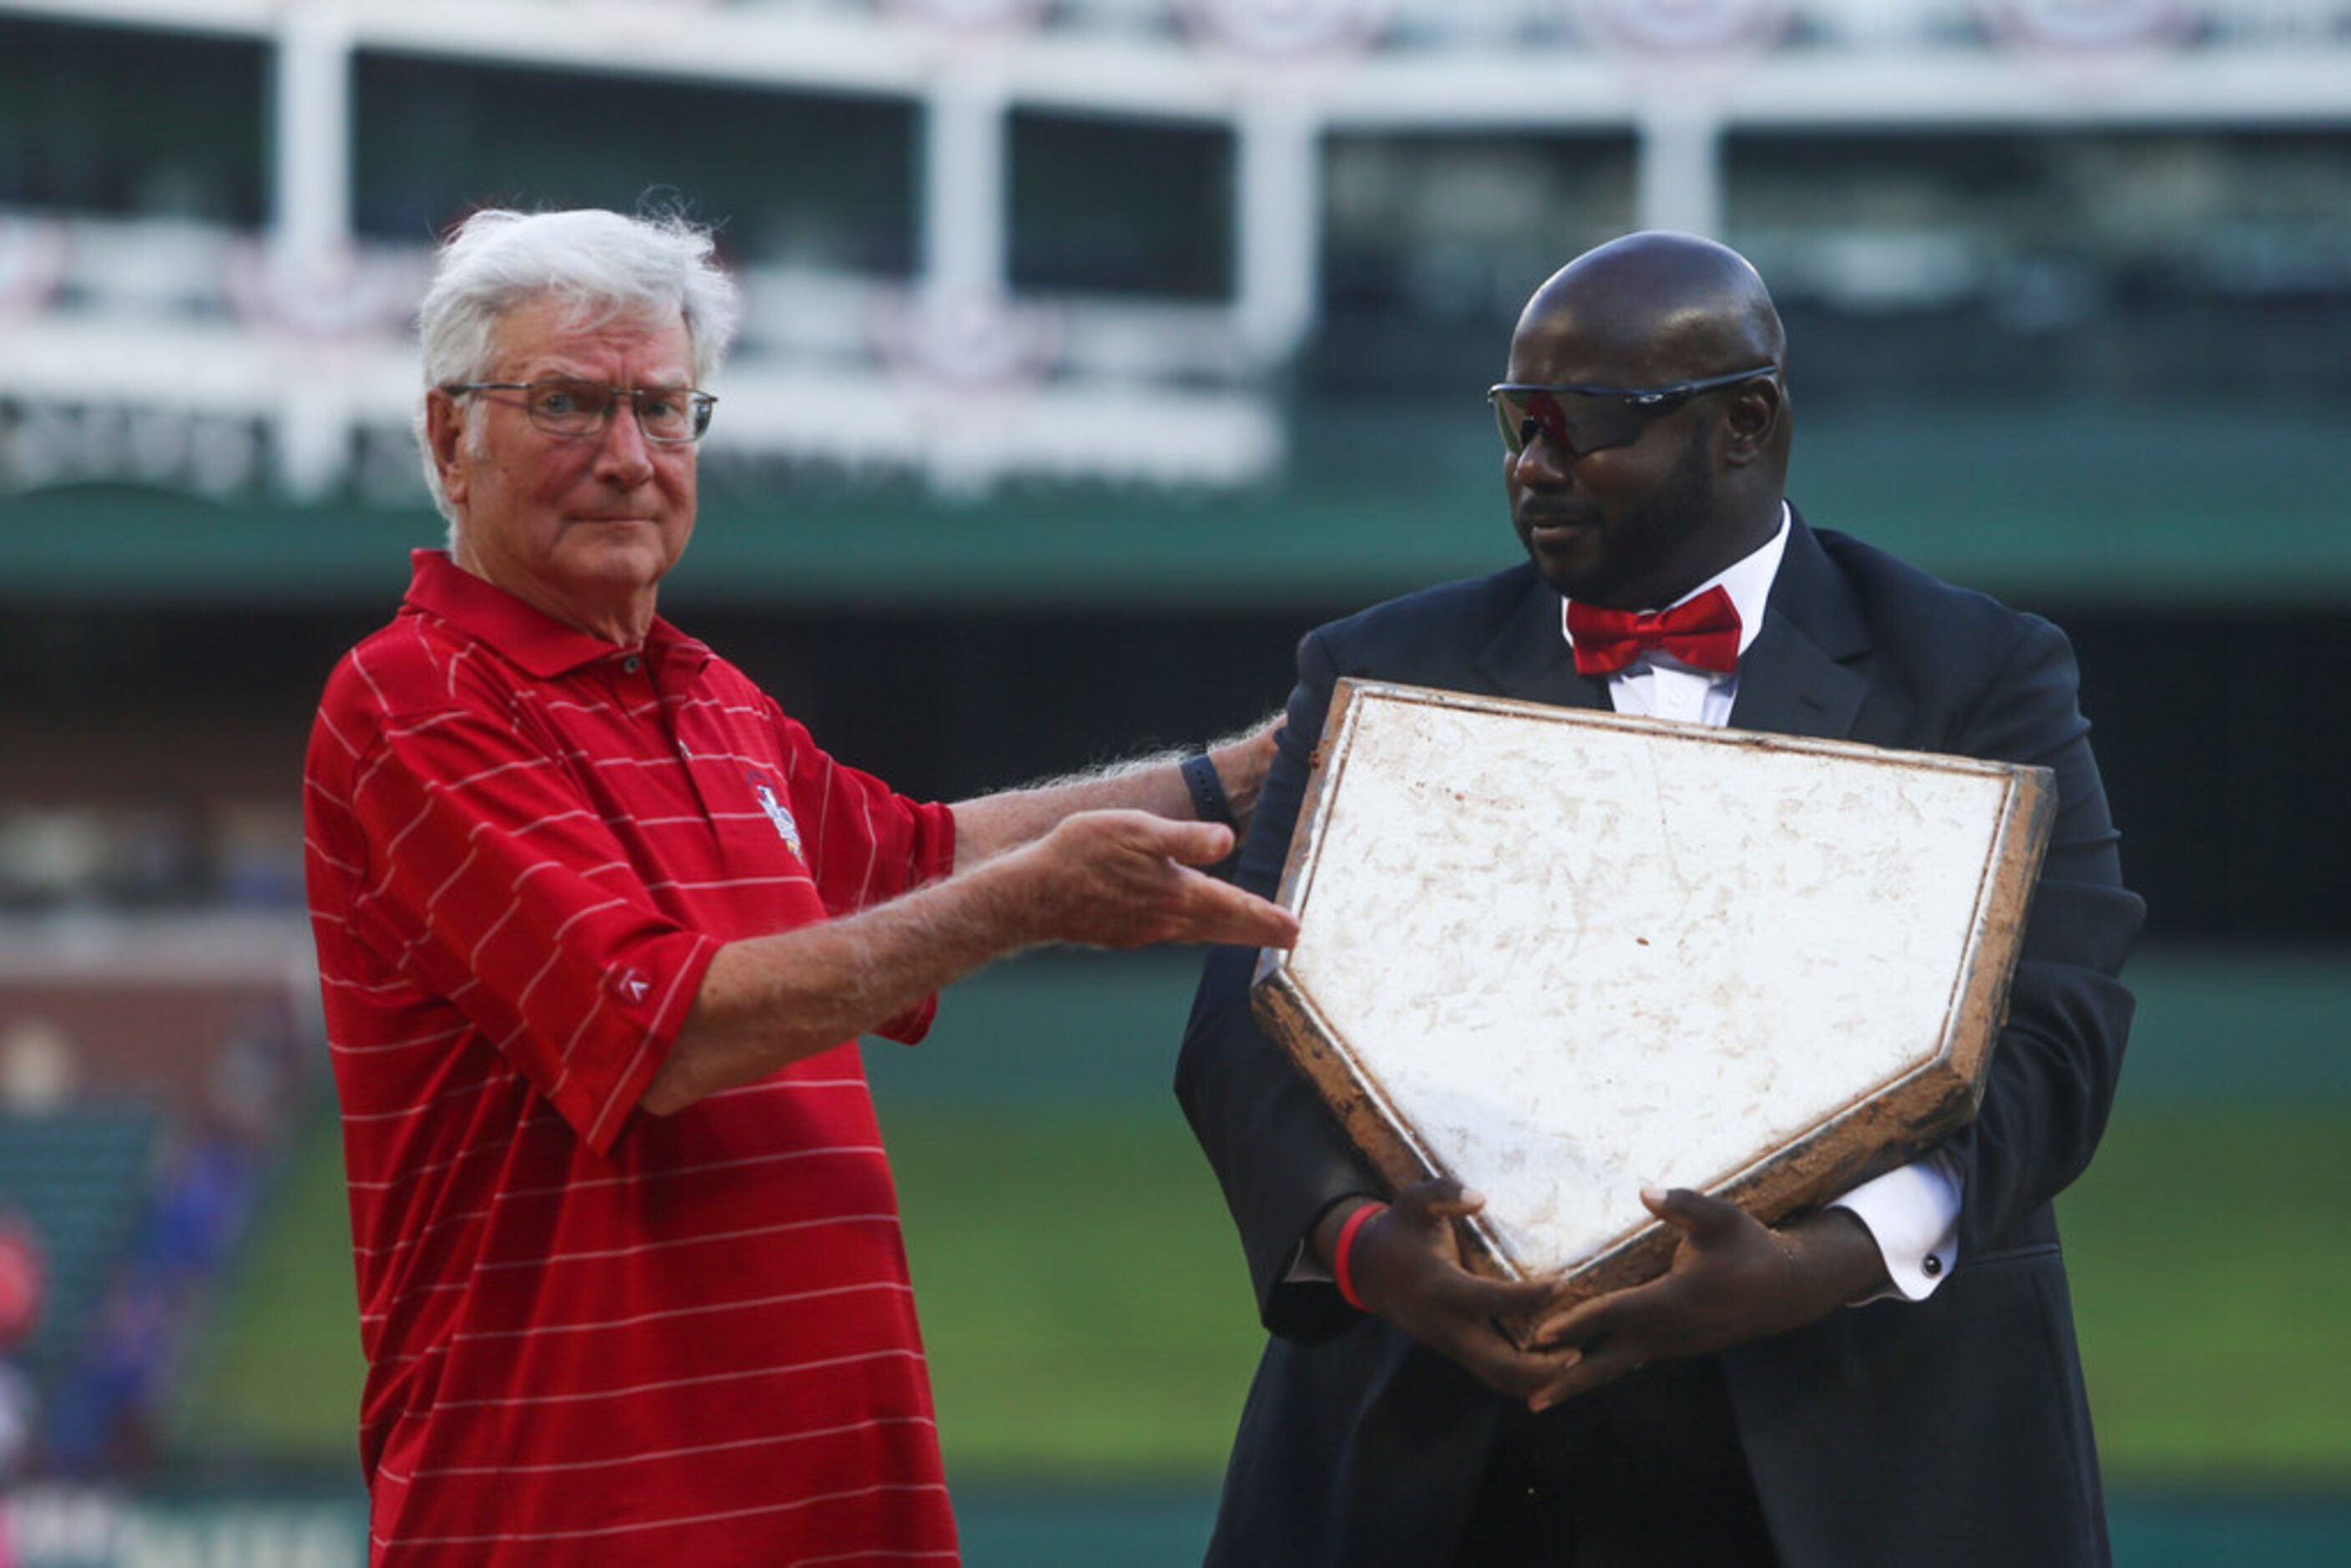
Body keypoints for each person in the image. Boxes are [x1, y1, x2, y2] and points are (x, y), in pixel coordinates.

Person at [301, 206, 1297, 1565]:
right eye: (566, 405)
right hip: (581, 1523)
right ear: (448, 437)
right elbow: (667, 1027)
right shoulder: (411, 704)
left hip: (835, 1517)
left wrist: (1237, 776)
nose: (627, 456)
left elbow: (928, 859)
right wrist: (1036, 904)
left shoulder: (711, 698)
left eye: (662, 407)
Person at [1176, 231, 2145, 1567]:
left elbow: (2060, 1035)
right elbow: (1241, 1022)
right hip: (1447, 1461)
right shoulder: (1374, 669)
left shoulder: (1979, 677)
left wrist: (1826, 1259)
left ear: (1744, 424)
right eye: (1519, 421)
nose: (1533, 464)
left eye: (1584, 427)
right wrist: (1368, 1250)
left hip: (1862, 1453)